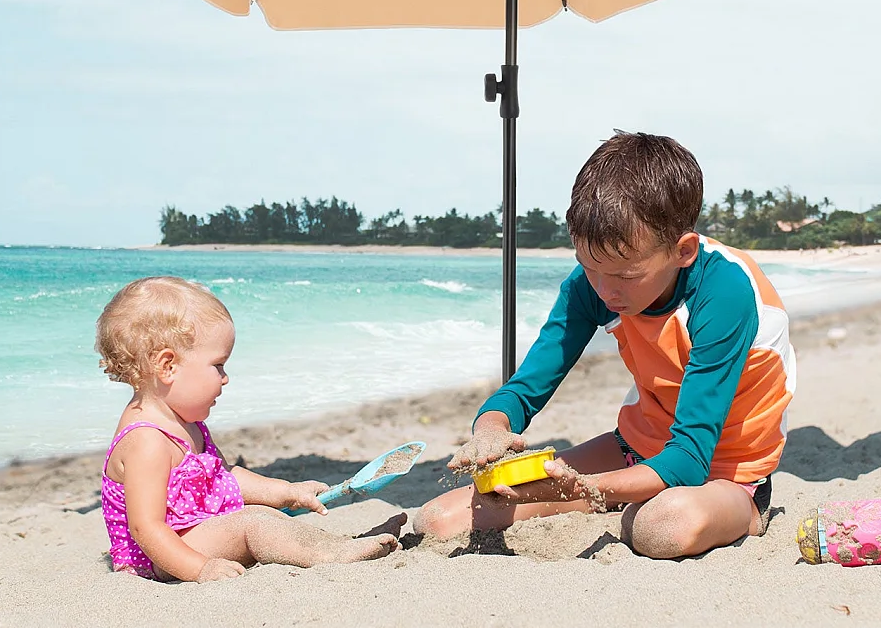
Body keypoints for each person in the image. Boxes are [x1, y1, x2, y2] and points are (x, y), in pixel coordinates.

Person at [414, 132, 796, 559]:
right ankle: (623, 493)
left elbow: (690, 458)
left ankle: (747, 512)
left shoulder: (724, 294)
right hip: (636, 449)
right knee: (439, 520)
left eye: (626, 276)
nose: (604, 290)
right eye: (588, 266)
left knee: (661, 528)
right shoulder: (594, 283)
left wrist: (583, 488)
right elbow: (525, 389)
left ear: (683, 250)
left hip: (725, 470)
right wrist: (491, 431)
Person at [95, 276, 402, 581]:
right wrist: (200, 568)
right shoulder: (146, 441)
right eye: (218, 366)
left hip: (193, 534)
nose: (225, 378)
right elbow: (146, 528)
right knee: (254, 522)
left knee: (266, 515)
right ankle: (331, 554)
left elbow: (224, 477)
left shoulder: (187, 424)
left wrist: (287, 492)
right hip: (161, 556)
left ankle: (339, 544)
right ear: (168, 366)